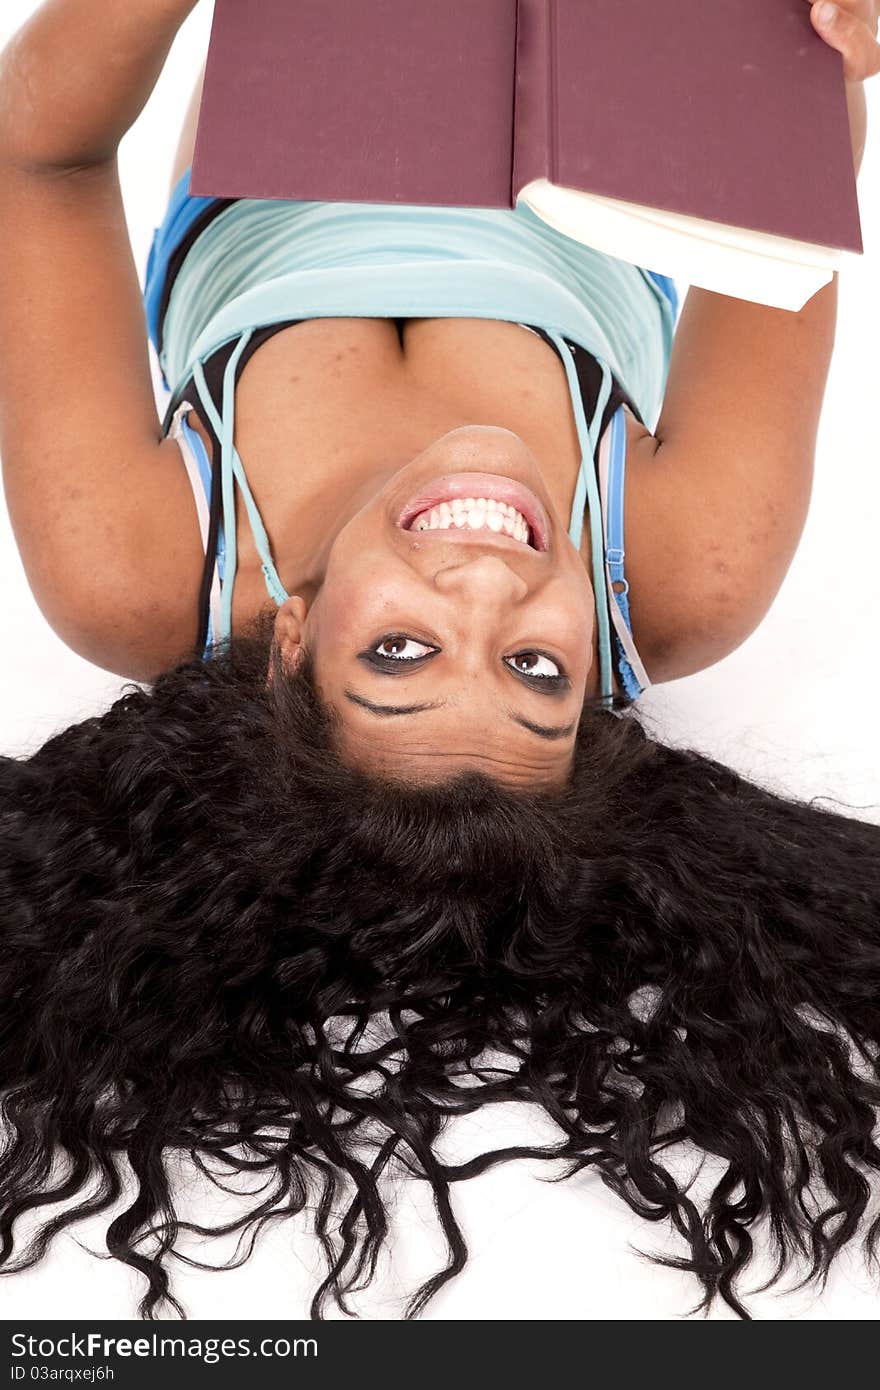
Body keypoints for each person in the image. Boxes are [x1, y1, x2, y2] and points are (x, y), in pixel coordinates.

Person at [0, 0, 878, 1321]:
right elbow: (778, 206)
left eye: (401, 650)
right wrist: (826, 45)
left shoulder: (140, 557)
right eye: (535, 670)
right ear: (602, 696)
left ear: (287, 640)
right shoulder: (687, 560)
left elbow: (38, 160)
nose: (487, 583)